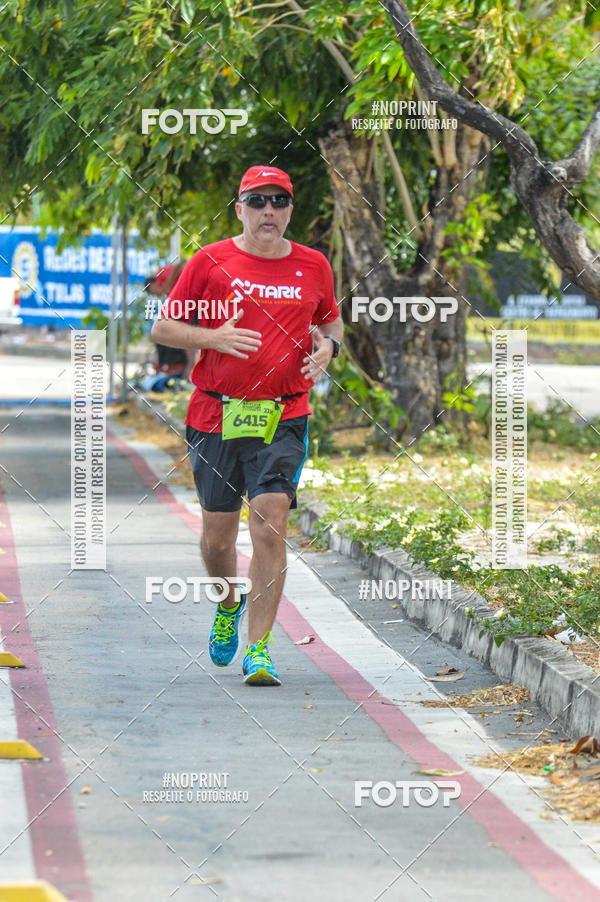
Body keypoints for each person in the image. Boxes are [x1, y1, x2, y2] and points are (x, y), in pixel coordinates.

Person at [151, 165, 343, 686]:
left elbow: (330, 321)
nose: (268, 212)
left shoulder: (313, 265)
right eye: (257, 201)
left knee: (270, 519)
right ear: (240, 208)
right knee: (218, 539)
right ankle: (228, 602)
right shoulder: (211, 261)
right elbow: (164, 325)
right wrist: (213, 340)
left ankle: (259, 649)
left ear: (289, 211)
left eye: (279, 202)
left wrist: (329, 347)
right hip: (216, 412)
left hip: (284, 413)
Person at [145, 261, 189, 377]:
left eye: (154, 293)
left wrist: (165, 287)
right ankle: (179, 366)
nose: (157, 295)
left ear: (152, 286)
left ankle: (187, 366)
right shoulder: (169, 292)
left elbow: (180, 265)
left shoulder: (161, 273)